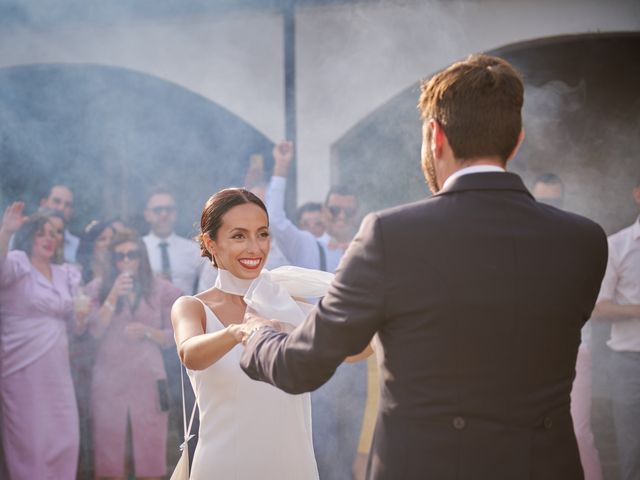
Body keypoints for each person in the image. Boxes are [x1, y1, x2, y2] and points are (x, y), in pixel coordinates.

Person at [239, 54, 608, 480]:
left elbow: (298, 365)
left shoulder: (389, 235)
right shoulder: (584, 240)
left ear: (435, 137)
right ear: (516, 141)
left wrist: (257, 332)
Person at [170, 188, 322, 480]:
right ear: (209, 243)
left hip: (291, 467)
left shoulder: (290, 305)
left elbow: (354, 349)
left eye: (262, 234)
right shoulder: (192, 307)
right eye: (239, 236)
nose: (255, 248)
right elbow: (190, 353)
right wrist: (240, 332)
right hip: (223, 467)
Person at [267, 142, 369, 479]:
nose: (340, 217)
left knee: (353, 445)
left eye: (346, 212)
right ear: (324, 212)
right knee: (320, 447)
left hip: (358, 363)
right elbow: (276, 220)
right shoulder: (308, 247)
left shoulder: (370, 247)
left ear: (356, 215)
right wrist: (281, 167)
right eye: (334, 210)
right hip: (320, 358)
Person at [85, 229, 180, 480]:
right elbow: (93, 330)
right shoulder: (97, 288)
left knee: (151, 456)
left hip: (149, 379)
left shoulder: (162, 289)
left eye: (132, 255)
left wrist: (149, 333)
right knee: (109, 457)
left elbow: (178, 335)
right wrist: (114, 294)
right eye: (120, 256)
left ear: (142, 257)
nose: (126, 261)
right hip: (109, 381)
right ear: (112, 260)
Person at [0, 203, 86, 480]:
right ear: (28, 238)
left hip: (58, 372)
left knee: (66, 441)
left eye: (53, 234)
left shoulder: (66, 274)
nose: (49, 239)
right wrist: (6, 231)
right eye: (41, 234)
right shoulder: (17, 263)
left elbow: (76, 326)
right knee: (32, 447)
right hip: (22, 369)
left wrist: (82, 317)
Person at [532, 174, 603, 480]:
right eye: (544, 202)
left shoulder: (579, 238)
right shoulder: (522, 240)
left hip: (574, 349)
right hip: (529, 351)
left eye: (556, 201)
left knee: (577, 432)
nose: (551, 208)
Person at [592, 179, 640, 480]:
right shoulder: (616, 245)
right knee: (632, 450)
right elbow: (598, 308)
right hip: (629, 363)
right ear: (638, 195)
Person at [40, 184, 79, 262]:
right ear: (44, 203)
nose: (61, 208)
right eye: (56, 201)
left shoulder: (77, 245)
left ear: (71, 211)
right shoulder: (23, 235)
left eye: (67, 205)